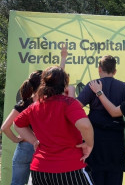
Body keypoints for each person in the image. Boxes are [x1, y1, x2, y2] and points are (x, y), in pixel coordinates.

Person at [1, 46, 72, 185]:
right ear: (43, 83)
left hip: (24, 148)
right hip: (42, 148)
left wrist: (16, 140)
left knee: (17, 183)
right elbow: (58, 80)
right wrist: (63, 59)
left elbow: (5, 127)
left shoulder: (24, 102)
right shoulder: (46, 100)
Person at [13, 66, 94, 185]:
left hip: (40, 171)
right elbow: (85, 126)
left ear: (43, 83)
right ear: (65, 83)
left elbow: (17, 124)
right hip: (70, 168)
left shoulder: (35, 106)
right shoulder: (69, 103)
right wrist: (89, 144)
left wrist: (34, 140)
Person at [77, 55, 125, 185]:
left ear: (99, 68)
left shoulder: (92, 85)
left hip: (95, 140)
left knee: (94, 178)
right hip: (116, 142)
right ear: (115, 71)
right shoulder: (123, 87)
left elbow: (76, 107)